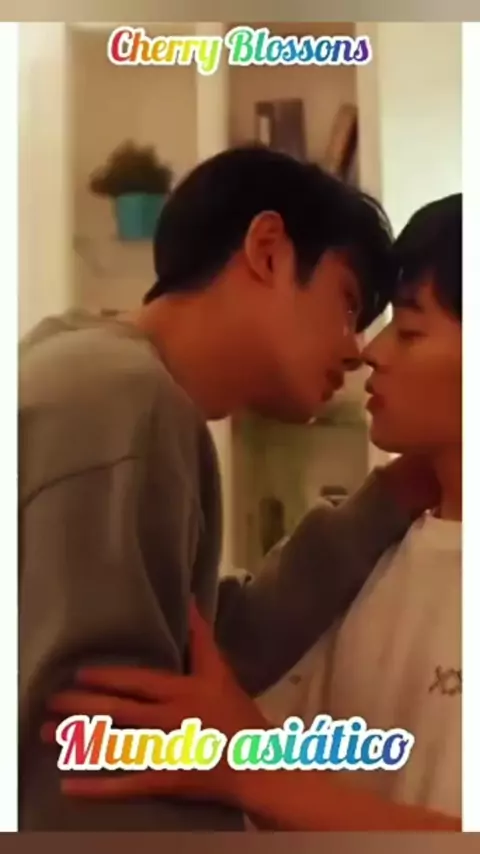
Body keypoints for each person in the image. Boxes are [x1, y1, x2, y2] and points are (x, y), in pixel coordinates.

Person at [20, 145, 436, 831]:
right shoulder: (123, 401)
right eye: (347, 303)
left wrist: (388, 498)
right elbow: (97, 751)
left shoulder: (86, 371)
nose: (358, 349)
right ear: (267, 250)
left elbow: (202, 655)